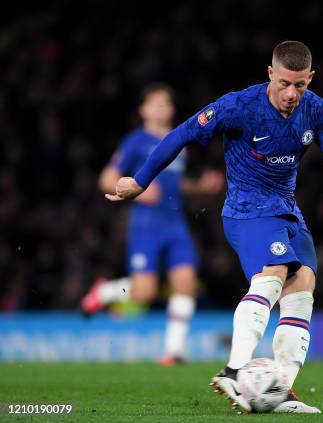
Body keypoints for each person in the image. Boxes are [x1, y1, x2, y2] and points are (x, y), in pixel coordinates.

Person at [104, 41, 323, 413]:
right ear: (271, 74)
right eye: (285, 83)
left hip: (287, 210)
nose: (291, 94)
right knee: (273, 273)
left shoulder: (319, 110)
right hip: (247, 209)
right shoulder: (239, 106)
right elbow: (180, 135)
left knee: (302, 289)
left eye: (299, 85)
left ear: (310, 79)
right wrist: (140, 181)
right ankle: (235, 370)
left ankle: (279, 390)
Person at [81, 83, 224, 366]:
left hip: (175, 224)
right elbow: (106, 179)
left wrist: (199, 186)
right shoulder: (136, 141)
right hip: (146, 225)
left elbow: (174, 184)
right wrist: (136, 191)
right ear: (143, 110)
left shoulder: (178, 143)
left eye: (165, 103)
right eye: (154, 103)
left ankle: (174, 352)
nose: (160, 108)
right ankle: (104, 292)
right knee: (144, 292)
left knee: (185, 283)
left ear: (172, 109)